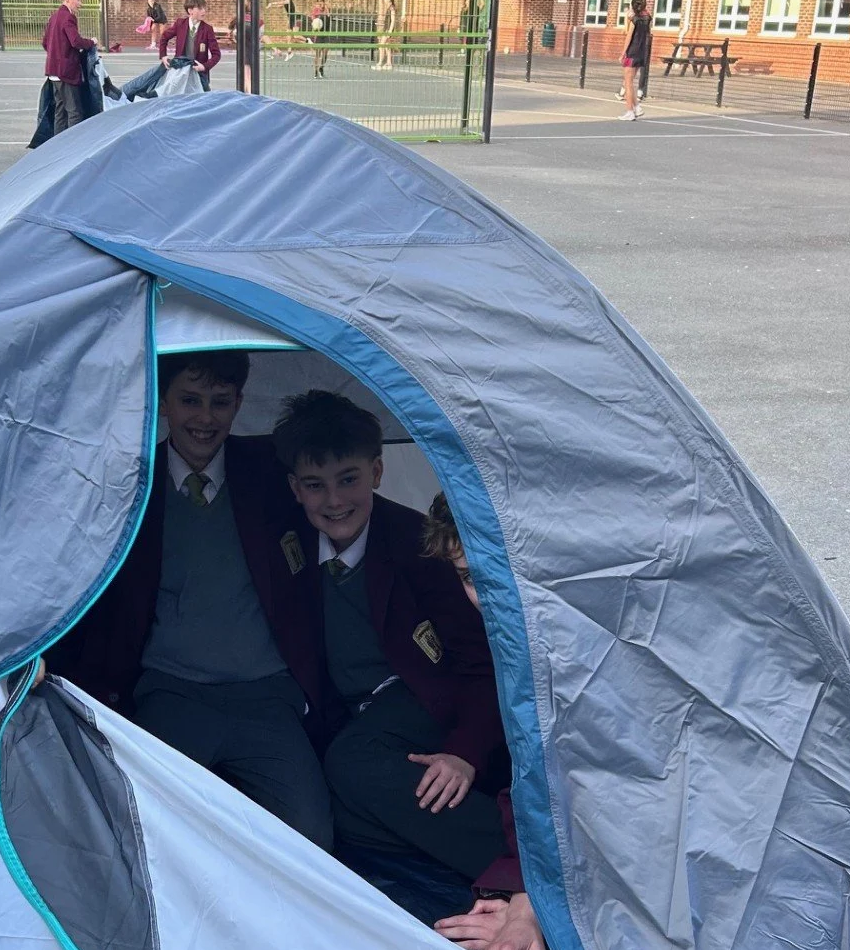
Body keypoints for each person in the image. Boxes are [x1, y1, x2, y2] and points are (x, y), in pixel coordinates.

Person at [45, 352, 333, 849]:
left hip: (266, 695)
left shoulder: (270, 470)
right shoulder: (131, 483)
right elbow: (78, 576)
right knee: (151, 838)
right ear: (163, 401)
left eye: (220, 402)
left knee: (313, 842)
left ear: (239, 402)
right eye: (190, 401)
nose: (205, 418)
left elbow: (344, 500)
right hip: (172, 692)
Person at [272, 391, 507, 883]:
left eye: (349, 479)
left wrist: (465, 752)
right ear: (294, 489)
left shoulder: (415, 545)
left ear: (377, 473)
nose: (335, 500)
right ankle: (437, 853)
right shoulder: (284, 541)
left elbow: (482, 665)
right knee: (340, 801)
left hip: (421, 697)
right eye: (316, 485)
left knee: (352, 763)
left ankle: (512, 863)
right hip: (355, 716)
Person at [419, 493, 582, 950]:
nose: (486, 593)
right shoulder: (511, 645)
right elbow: (530, 779)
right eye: (469, 577)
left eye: (497, 569)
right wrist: (514, 890)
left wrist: (528, 901)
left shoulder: (580, 641)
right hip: (555, 852)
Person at [121, 0, 221, 101]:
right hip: (179, 69)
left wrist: (204, 67)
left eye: (204, 8)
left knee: (202, 100)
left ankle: (155, 94)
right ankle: (134, 94)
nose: (204, 11)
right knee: (157, 82)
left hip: (197, 72)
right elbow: (164, 37)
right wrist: (163, 56)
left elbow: (216, 54)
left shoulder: (207, 29)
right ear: (190, 10)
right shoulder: (180, 24)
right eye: (200, 8)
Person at [41, 0, 98, 133]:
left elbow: (45, 42)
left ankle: (57, 146)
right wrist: (91, 42)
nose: (80, 4)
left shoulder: (54, 17)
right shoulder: (68, 17)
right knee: (74, 112)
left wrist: (56, 54)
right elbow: (76, 41)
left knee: (60, 111)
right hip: (66, 72)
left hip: (53, 71)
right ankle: (73, 147)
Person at [620, 0, 651, 121]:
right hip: (642, 51)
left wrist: (623, 52)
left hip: (632, 51)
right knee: (631, 82)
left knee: (628, 83)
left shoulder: (634, 20)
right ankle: (637, 107)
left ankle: (629, 111)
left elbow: (628, 36)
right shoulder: (648, 18)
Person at [373, 0, 397, 70]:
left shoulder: (392, 8)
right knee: (387, 46)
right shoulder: (389, 7)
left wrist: (390, 31)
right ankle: (389, 64)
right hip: (386, 29)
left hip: (388, 30)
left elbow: (393, 21)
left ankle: (380, 63)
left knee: (381, 45)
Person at [309, 0, 329, 78]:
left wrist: (326, 8)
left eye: (322, 1)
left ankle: (322, 68)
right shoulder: (315, 10)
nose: (321, 2)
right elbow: (313, 20)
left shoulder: (326, 9)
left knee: (325, 53)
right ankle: (316, 72)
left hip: (326, 33)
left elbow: (328, 16)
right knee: (318, 54)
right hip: (319, 34)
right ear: (317, 2)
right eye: (320, 1)